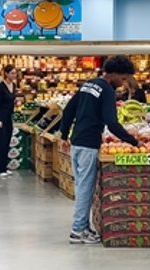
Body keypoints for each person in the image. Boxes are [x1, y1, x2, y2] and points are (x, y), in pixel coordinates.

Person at [55, 55, 140, 244]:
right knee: (85, 188)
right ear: (115, 74)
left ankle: (83, 227)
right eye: (124, 78)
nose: (124, 83)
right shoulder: (107, 90)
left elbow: (69, 109)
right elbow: (112, 122)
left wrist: (63, 134)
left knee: (81, 186)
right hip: (89, 143)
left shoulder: (89, 84)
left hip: (77, 141)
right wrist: (133, 141)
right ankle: (78, 231)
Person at [0, 65, 18, 177]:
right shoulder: (0, 87)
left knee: (6, 142)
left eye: (15, 73)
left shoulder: (14, 85)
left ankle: (4, 166)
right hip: (0, 117)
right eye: (12, 73)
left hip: (8, 117)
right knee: (0, 143)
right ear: (6, 73)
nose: (14, 75)